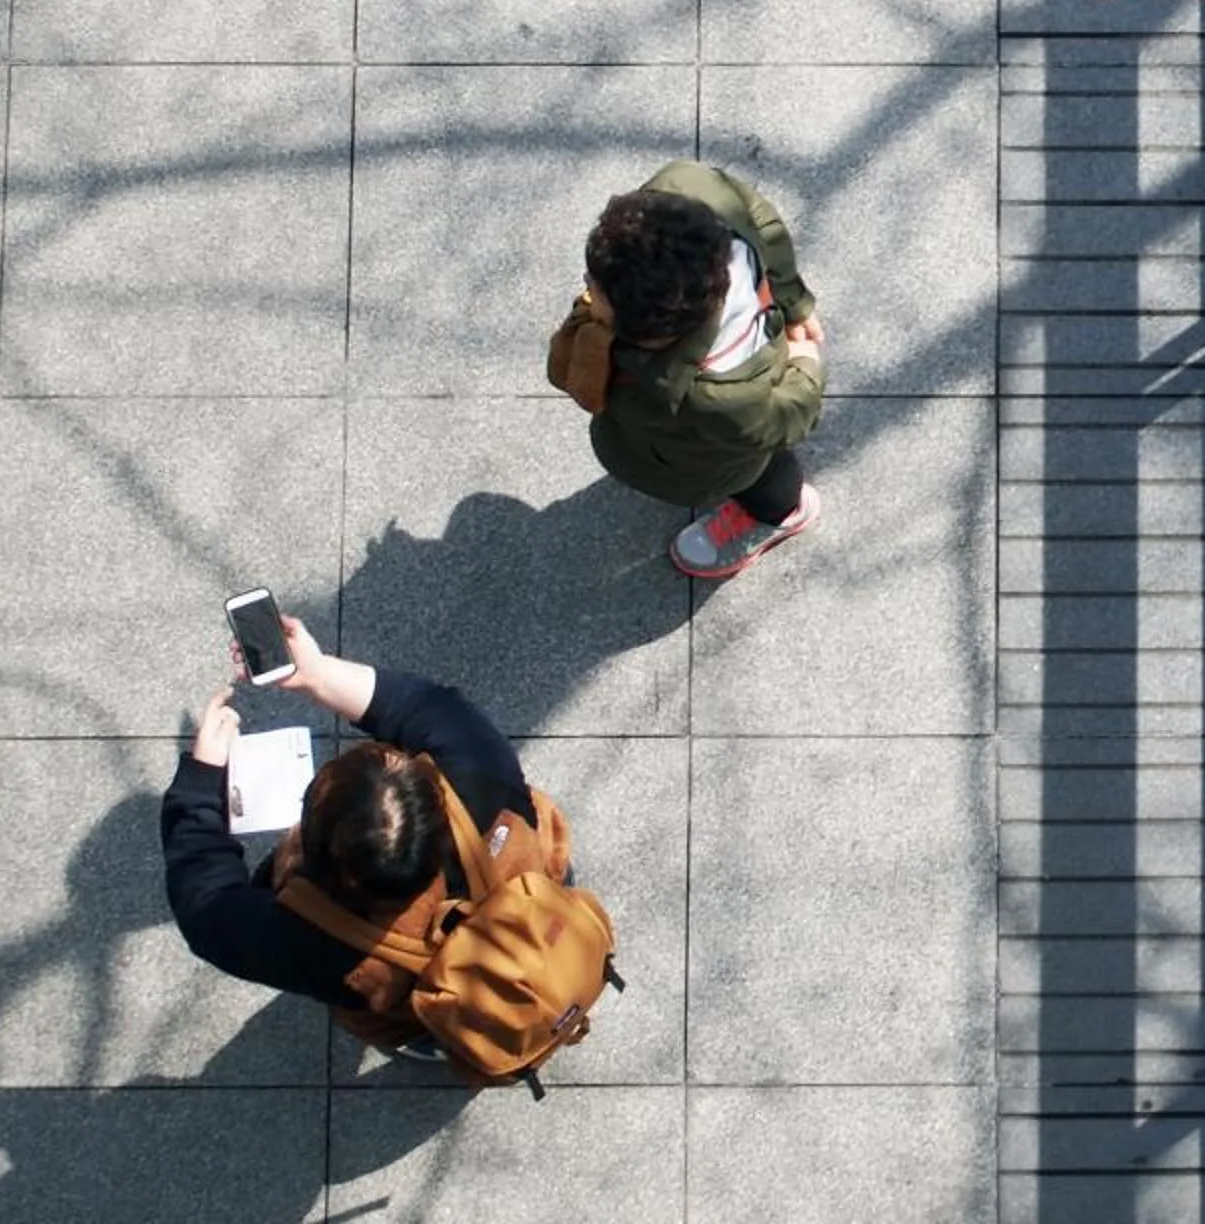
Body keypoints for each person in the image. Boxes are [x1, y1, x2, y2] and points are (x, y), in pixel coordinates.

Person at [162, 618, 550, 1056]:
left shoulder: (315, 943)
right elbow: (427, 708)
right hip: (523, 904)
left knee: (395, 1010)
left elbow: (206, 909)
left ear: (316, 852)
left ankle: (431, 1033)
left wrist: (201, 780)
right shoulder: (481, 772)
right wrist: (319, 673)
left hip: (409, 988)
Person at [557, 160, 827, 578]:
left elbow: (788, 416)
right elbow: (761, 220)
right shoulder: (686, 192)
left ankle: (779, 512)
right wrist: (793, 300)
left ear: (656, 335)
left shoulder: (713, 396)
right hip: (666, 433)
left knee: (763, 471)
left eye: (597, 292)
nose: (588, 293)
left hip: (710, 460)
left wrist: (806, 363)